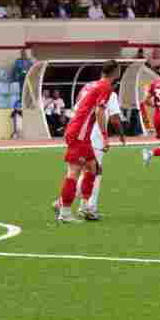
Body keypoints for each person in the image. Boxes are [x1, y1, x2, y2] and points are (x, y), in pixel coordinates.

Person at [53, 60, 118, 224]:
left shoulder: (91, 85)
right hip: (80, 132)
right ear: (116, 72)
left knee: (93, 168)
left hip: (80, 130)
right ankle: (65, 211)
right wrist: (105, 135)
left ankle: (86, 206)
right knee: (73, 173)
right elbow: (100, 111)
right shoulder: (106, 87)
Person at [80, 77, 126, 221]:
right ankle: (86, 207)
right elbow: (114, 118)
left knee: (85, 171)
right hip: (95, 137)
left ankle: (82, 205)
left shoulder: (87, 87)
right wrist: (121, 134)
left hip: (81, 133)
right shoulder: (109, 93)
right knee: (95, 172)